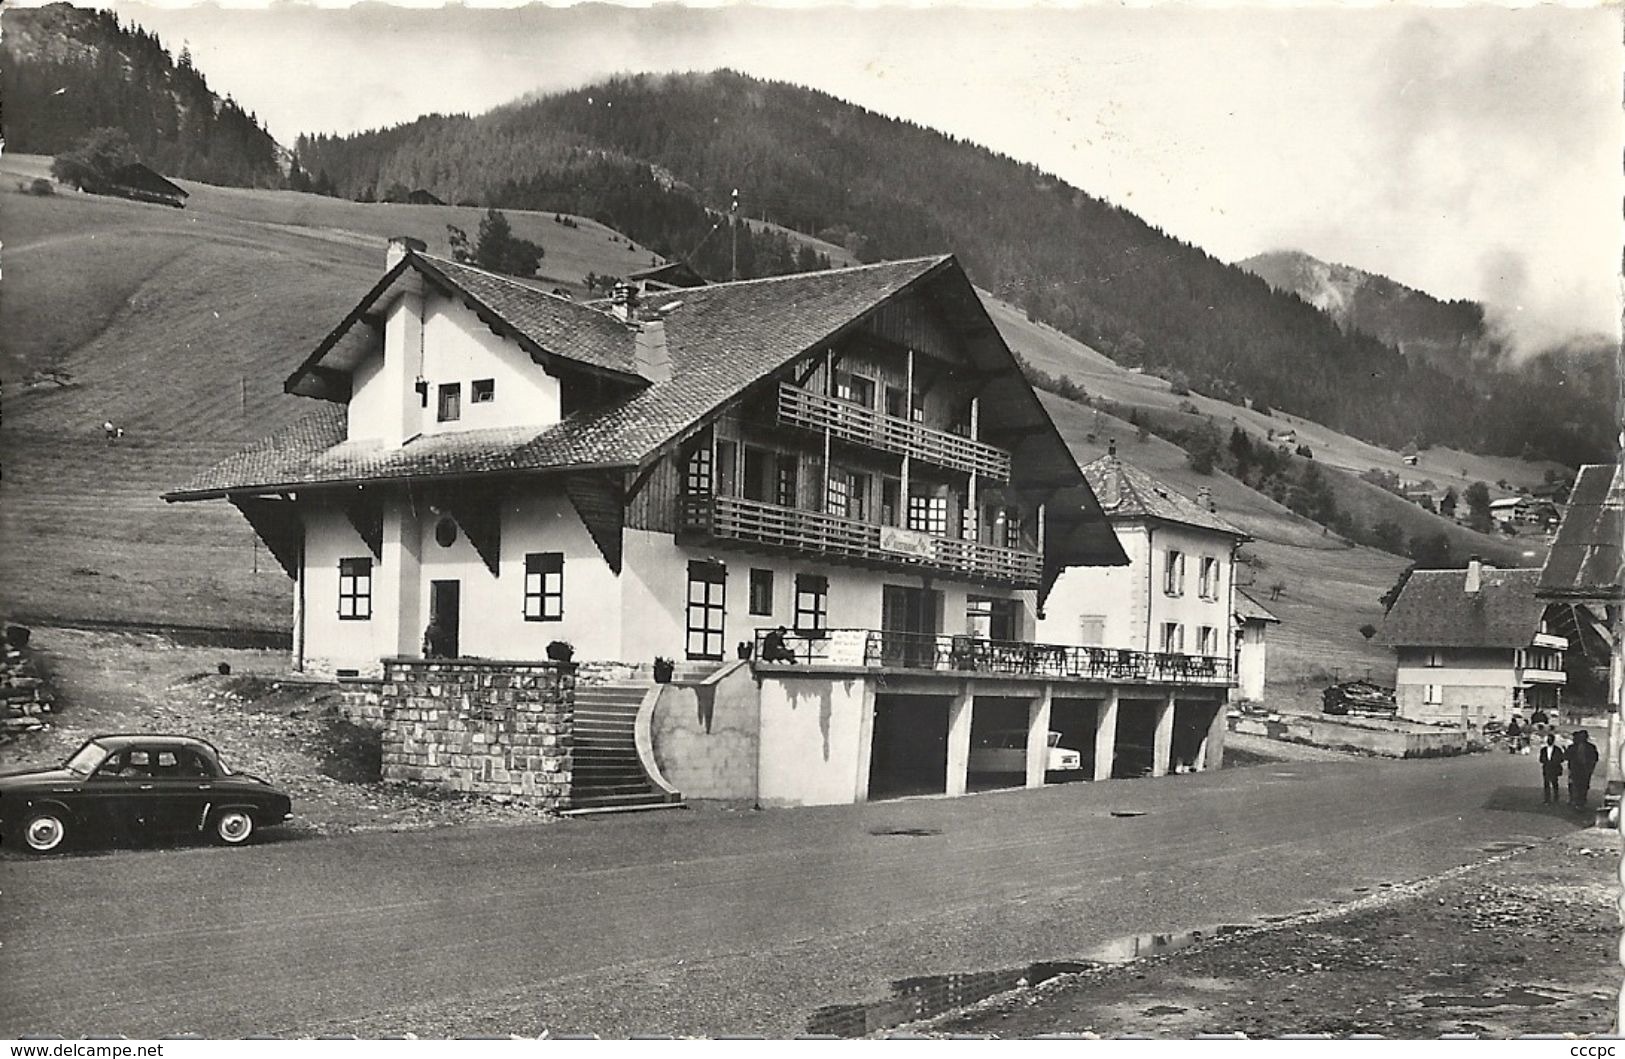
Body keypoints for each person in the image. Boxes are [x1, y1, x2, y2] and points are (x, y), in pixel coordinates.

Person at [1567, 729, 1600, 810]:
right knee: (1576, 785)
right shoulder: (1572, 747)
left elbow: (1595, 758)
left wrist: (1590, 767)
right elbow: (1566, 756)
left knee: (1584, 786)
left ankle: (1581, 801)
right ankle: (1577, 800)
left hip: (1585, 770)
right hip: (1575, 769)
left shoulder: (1591, 747)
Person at [1539, 734, 1565, 804]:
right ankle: (1547, 799)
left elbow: (1561, 759)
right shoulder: (1543, 750)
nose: (1549, 741)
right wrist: (1546, 761)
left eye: (1550, 739)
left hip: (1554, 768)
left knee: (1554, 783)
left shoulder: (1558, 750)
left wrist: (1554, 762)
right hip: (1546, 768)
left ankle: (1556, 797)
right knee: (1546, 784)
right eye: (1548, 739)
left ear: (1553, 741)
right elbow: (1541, 759)